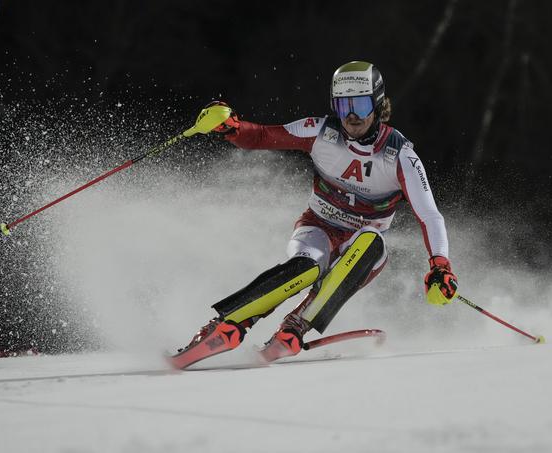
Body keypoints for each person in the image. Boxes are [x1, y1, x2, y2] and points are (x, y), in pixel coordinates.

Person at [172, 61, 458, 367]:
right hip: (317, 227)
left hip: (361, 248)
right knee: (308, 267)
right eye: (343, 105)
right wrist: (231, 127)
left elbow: (429, 215)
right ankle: (228, 325)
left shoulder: (400, 154)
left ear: (377, 104)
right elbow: (262, 136)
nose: (351, 116)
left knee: (371, 241)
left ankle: (296, 326)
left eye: (360, 105)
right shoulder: (322, 131)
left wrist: (439, 265)